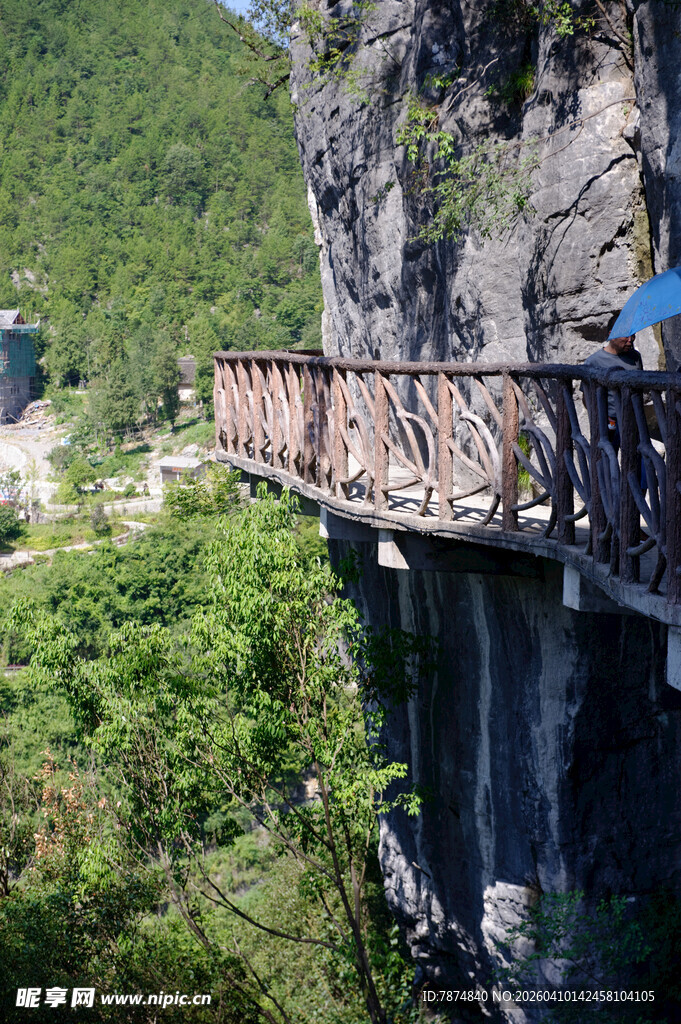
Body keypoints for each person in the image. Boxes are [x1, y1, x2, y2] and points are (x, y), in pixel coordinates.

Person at [582, 334, 642, 444]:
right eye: (626, 336)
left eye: (633, 336)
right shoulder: (594, 361)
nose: (630, 340)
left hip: (632, 419)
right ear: (612, 334)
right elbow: (586, 397)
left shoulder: (635, 357)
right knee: (607, 456)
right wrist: (601, 418)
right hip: (609, 421)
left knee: (636, 457)